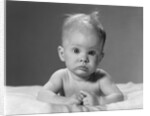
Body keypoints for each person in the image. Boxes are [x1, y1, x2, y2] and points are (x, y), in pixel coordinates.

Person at [37, 11, 124, 106]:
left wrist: (100, 101)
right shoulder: (62, 76)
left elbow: (118, 96)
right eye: (76, 50)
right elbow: (42, 94)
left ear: (99, 58)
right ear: (62, 54)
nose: (84, 59)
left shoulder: (101, 78)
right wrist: (65, 100)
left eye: (91, 52)